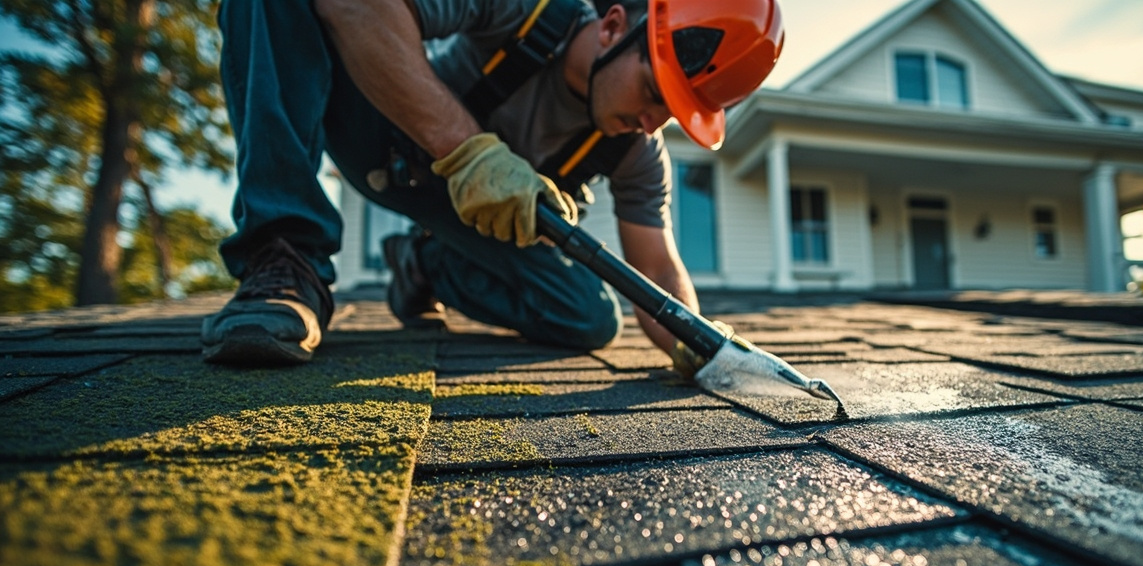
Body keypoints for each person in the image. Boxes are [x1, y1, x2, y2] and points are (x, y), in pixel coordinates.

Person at [202, 0, 784, 373]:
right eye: (656, 93)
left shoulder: (636, 150)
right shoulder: (529, 11)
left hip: (465, 219)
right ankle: (284, 261)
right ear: (611, 27)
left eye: (675, 114)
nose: (654, 122)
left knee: (588, 318)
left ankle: (424, 265)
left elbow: (656, 270)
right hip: (379, 135)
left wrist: (700, 345)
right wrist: (466, 149)